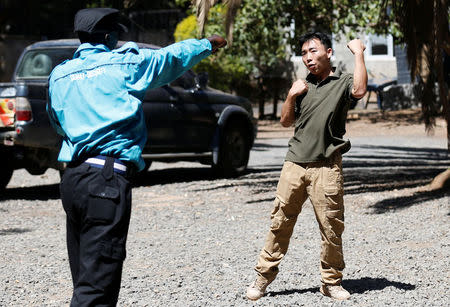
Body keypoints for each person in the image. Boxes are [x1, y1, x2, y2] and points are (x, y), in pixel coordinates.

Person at [47, 7, 226, 306]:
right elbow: (171, 58)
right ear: (107, 35)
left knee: (85, 276)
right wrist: (208, 43)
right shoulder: (125, 64)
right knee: (96, 287)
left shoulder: (60, 74)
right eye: (115, 34)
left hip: (73, 179)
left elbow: (57, 123)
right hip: (106, 181)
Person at [246, 32, 367, 301]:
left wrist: (358, 52)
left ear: (328, 53)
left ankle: (331, 282)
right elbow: (285, 122)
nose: (308, 58)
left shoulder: (343, 82)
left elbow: (359, 90)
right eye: (303, 53)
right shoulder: (302, 85)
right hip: (294, 165)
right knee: (280, 223)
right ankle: (262, 278)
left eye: (313, 51)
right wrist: (291, 95)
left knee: (331, 227)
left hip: (326, 166)